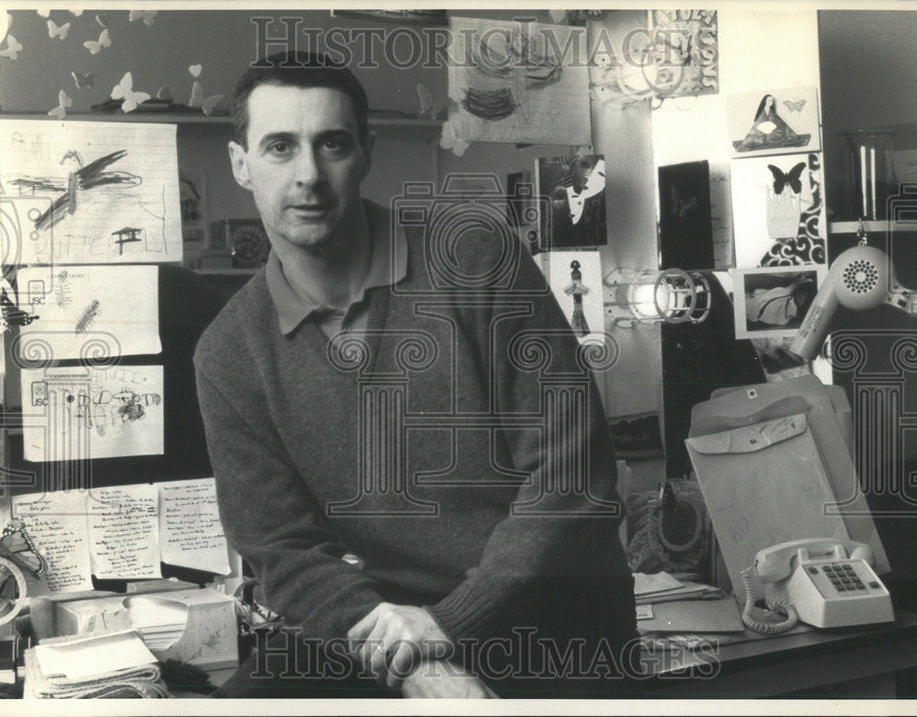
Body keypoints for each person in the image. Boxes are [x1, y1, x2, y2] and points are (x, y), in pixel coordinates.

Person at [193, 51, 636, 699]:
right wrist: (418, 661)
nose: (308, 175)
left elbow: (571, 473)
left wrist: (449, 624)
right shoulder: (229, 352)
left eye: (332, 144)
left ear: (366, 153)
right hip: (384, 626)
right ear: (242, 164)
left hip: (553, 615)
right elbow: (282, 548)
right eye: (280, 147)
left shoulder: (474, 256)